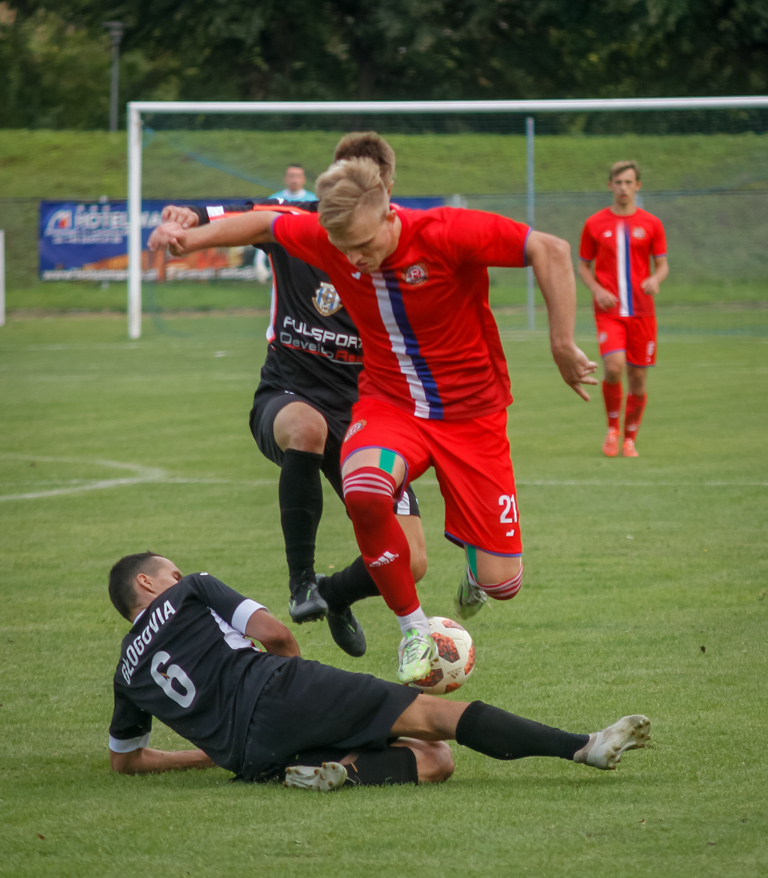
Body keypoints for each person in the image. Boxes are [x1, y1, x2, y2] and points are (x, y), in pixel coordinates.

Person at [148, 142, 599, 685]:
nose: (355, 258)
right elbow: (265, 222)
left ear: (389, 212)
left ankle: (478, 577)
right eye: (343, 247)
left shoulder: (445, 231)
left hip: (472, 418)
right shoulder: (331, 238)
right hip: (391, 405)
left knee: (503, 583)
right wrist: (186, 238)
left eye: (363, 244)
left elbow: (549, 248)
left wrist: (561, 343)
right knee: (364, 487)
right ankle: (414, 631)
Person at [158, 136, 427, 660]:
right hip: (289, 394)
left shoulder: (408, 243)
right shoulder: (295, 220)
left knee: (412, 561)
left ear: (387, 189)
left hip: (368, 414)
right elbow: (236, 212)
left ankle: (334, 593)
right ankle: (302, 581)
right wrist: (187, 217)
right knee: (307, 428)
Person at [107, 552, 651, 790]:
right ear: (150, 585)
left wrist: (211, 752)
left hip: (251, 758)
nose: (178, 576)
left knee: (435, 762)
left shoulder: (125, 677)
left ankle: (330, 772)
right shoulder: (191, 589)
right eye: (169, 572)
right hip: (282, 691)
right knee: (438, 718)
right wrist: (297, 688)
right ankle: (582, 746)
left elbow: (126, 762)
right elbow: (275, 636)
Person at [578, 160, 669, 458]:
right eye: (618, 183)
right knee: (614, 368)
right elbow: (583, 266)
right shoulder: (594, 224)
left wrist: (655, 279)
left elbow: (663, 265)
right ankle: (612, 429)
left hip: (643, 313)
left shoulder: (652, 223)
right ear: (610, 186)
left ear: (638, 186)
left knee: (639, 378)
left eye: (629, 183)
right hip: (610, 312)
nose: (623, 188)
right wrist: (598, 290)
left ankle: (630, 438)